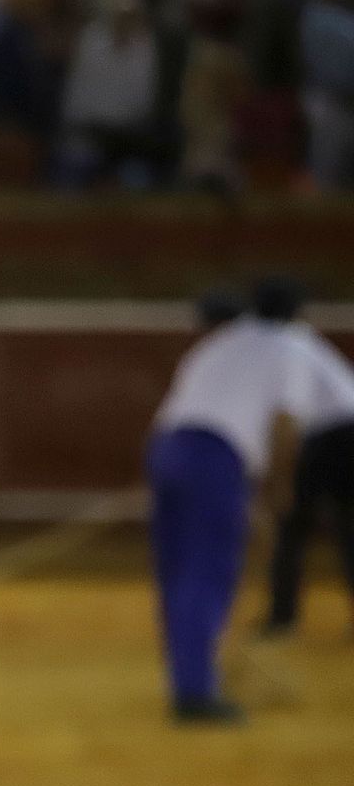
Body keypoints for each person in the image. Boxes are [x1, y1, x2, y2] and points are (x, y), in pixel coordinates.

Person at [147, 279, 320, 723]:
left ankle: (189, 675)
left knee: (178, 571)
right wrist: (278, 489)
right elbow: (286, 423)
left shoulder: (218, 342)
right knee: (207, 572)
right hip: (217, 455)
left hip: (168, 446)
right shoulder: (291, 347)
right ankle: (195, 691)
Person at [262, 283, 354, 637]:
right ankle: (282, 615)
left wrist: (280, 479)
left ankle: (283, 617)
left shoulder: (284, 345)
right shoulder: (302, 340)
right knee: (347, 528)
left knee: (293, 523)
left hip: (332, 437)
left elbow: (290, 416)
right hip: (342, 432)